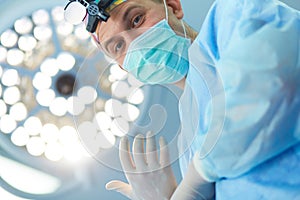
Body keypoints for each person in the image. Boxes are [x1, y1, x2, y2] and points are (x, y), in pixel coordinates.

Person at [65, 0, 300, 199]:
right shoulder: (187, 141)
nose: (135, 45)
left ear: (173, 6)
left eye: (136, 20)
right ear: (124, 68)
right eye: (118, 46)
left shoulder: (231, 15)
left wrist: (194, 182)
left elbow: (270, 85)